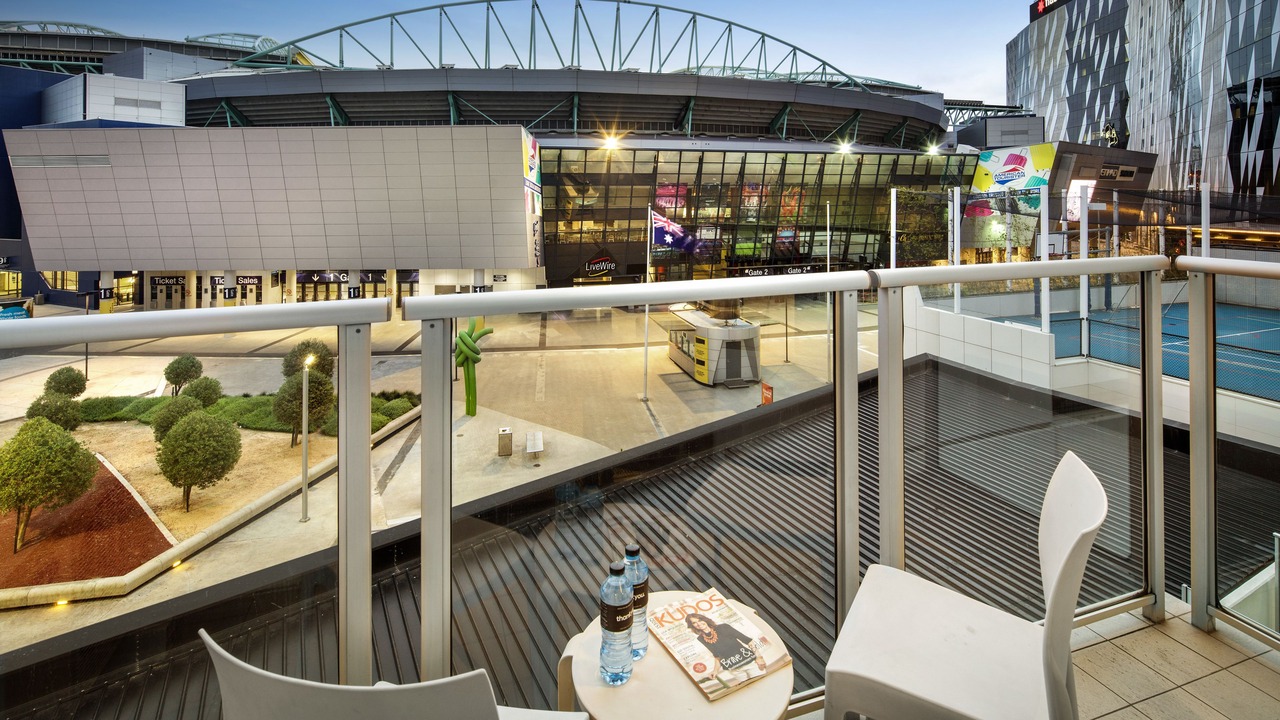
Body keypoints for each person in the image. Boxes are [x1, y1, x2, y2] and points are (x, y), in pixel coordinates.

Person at [683, 612, 767, 673]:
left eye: (699, 620)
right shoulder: (701, 639)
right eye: (694, 623)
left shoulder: (723, 627)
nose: (698, 624)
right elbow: (717, 656)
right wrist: (715, 671)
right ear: (692, 626)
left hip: (751, 664)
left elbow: (748, 641)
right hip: (734, 670)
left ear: (704, 619)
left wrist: (759, 657)